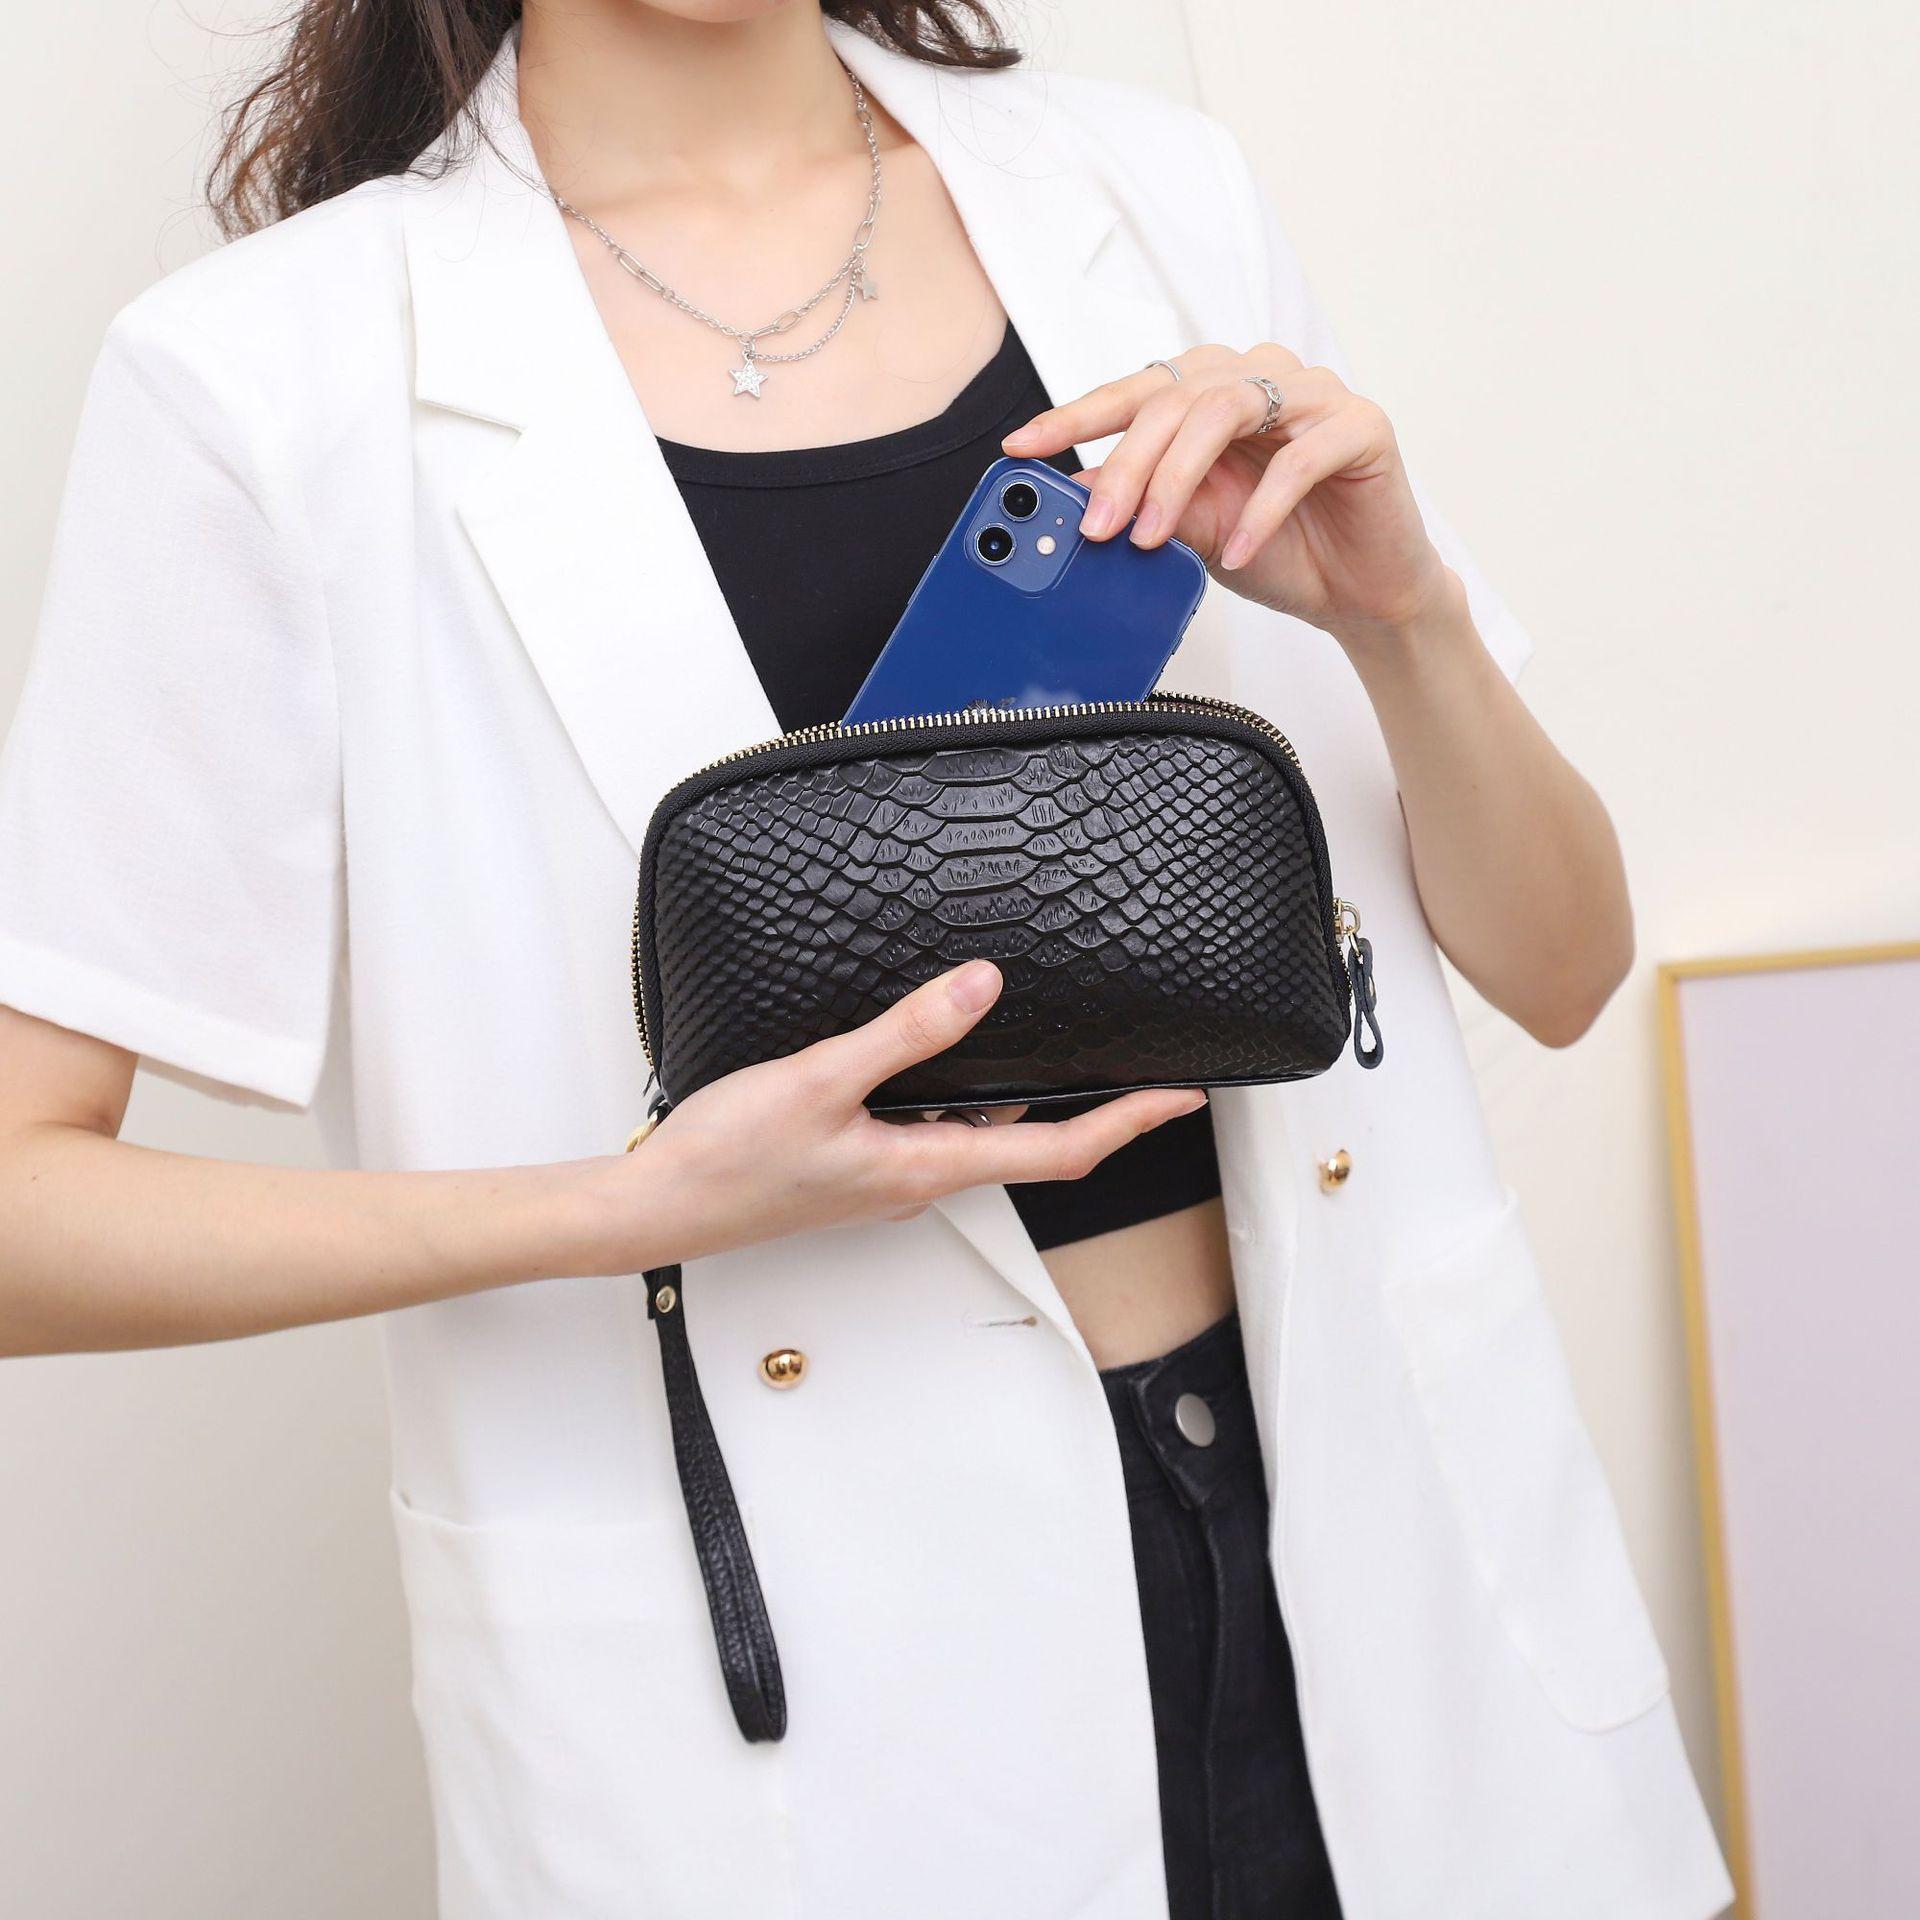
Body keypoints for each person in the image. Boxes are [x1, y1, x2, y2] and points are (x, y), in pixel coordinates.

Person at [0, 3, 1733, 1915]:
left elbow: (1562, 968)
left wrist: (1407, 625)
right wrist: (629, 1206)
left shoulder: (1153, 196)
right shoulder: (261, 376)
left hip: (1379, 1582)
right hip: (816, 1698)